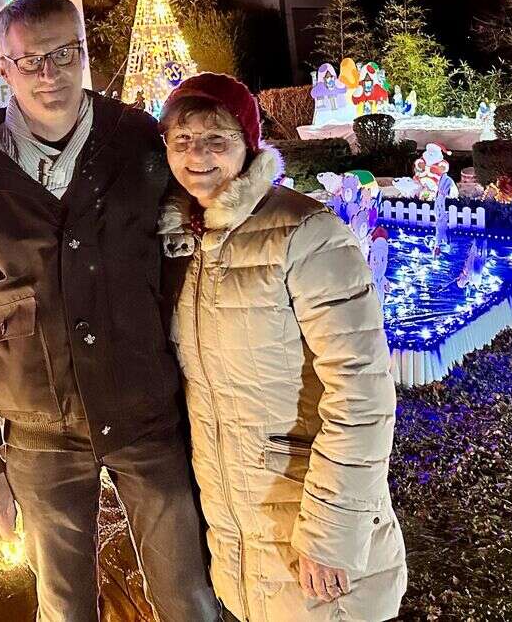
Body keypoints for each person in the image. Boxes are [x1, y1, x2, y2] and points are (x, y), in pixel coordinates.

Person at [0, 0, 219, 622]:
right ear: (1, 67)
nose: (49, 75)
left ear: (85, 53)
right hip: (39, 428)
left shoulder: (140, 146)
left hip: (145, 413)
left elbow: (215, 213)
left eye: (65, 54)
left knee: (188, 595)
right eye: (29, 62)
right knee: (63, 606)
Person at [156, 73, 406, 622]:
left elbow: (362, 390)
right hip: (239, 534)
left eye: (216, 140)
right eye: (182, 141)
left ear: (248, 145)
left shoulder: (305, 233)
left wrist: (332, 531)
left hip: (310, 531)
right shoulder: (182, 244)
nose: (197, 155)